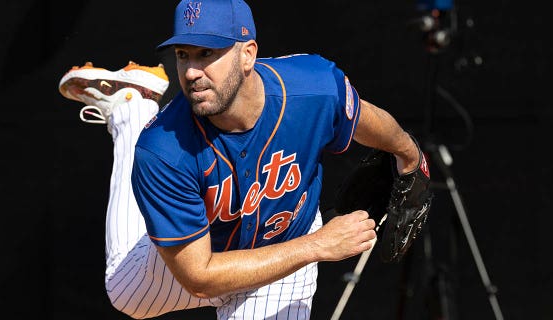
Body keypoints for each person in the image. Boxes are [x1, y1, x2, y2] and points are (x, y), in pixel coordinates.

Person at [58, 0, 428, 319]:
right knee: (124, 296)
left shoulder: (311, 87)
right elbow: (200, 277)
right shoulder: (163, 150)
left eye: (207, 54)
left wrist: (410, 156)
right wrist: (318, 245)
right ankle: (132, 110)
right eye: (183, 54)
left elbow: (365, 118)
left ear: (248, 54)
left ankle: (132, 107)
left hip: (281, 258)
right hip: (204, 258)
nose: (189, 71)